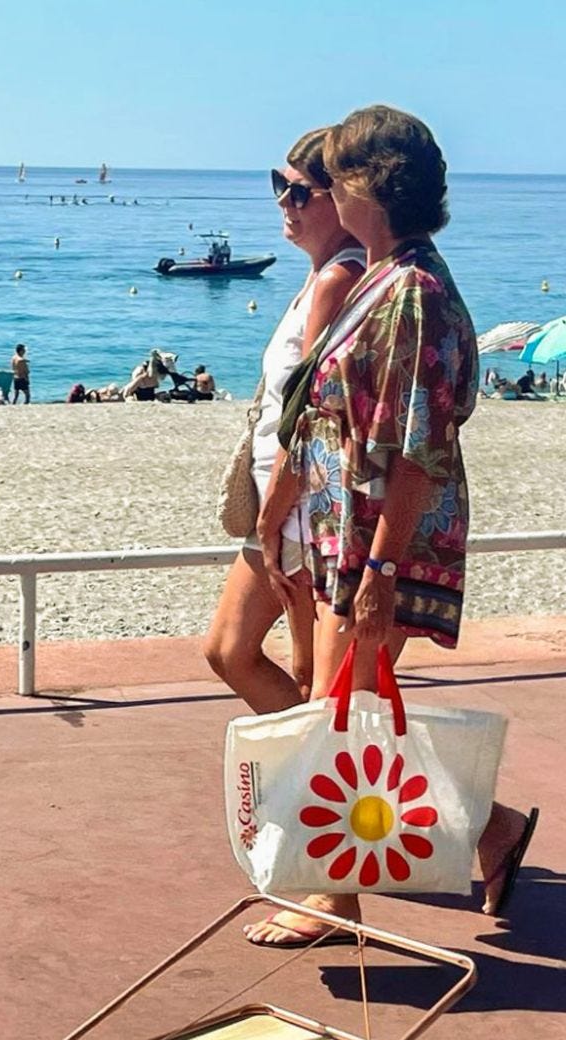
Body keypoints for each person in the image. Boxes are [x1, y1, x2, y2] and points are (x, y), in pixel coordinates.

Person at [246, 105, 539, 946]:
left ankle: (333, 898)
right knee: (354, 708)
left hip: (388, 542)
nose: (325, 189)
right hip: (357, 532)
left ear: (369, 185)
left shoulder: (409, 290)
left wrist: (379, 574)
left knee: (344, 717)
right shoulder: (384, 270)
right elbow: (333, 410)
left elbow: (416, 450)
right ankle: (493, 831)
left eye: (335, 173)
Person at [205, 127, 364, 734]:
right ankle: (317, 783)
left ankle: (480, 818)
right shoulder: (320, 275)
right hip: (282, 500)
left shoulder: (337, 281)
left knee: (313, 680)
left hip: (299, 508)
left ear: (341, 200)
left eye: (299, 191)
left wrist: (277, 513)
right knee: (228, 649)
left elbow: (315, 415)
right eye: (280, 186)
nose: (283, 203)